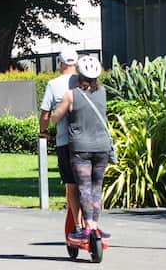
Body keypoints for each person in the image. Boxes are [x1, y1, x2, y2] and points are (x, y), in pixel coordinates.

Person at [51, 55, 112, 240]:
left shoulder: (71, 95)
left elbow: (55, 117)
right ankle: (96, 225)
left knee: (84, 188)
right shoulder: (102, 92)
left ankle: (88, 228)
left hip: (80, 149)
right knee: (96, 188)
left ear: (79, 73)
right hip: (102, 147)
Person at [39, 49, 80, 230]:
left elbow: (46, 114)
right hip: (89, 141)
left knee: (71, 185)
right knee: (88, 185)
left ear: (60, 64)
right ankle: (91, 224)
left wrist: (43, 131)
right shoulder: (86, 82)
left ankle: (77, 225)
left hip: (65, 141)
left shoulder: (53, 84)